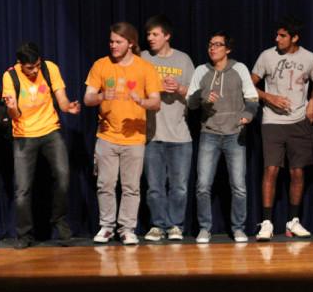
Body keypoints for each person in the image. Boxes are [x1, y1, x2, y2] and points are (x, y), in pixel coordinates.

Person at [84, 22, 161, 245]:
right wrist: (101, 97)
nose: (113, 45)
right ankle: (107, 226)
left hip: (134, 138)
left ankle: (127, 228)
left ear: (131, 43)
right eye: (111, 41)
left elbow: (156, 103)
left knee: (131, 187)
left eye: (118, 42)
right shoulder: (101, 65)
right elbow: (89, 98)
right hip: (107, 136)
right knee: (105, 184)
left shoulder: (145, 68)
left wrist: (141, 101)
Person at [1, 42, 81, 249]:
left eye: (37, 65)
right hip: (24, 136)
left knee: (63, 176)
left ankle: (59, 220)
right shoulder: (10, 76)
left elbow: (61, 100)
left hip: (50, 131)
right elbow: (15, 115)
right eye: (30, 68)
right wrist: (10, 108)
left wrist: (68, 107)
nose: (35, 70)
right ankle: (25, 234)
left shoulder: (50, 68)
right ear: (20, 64)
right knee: (22, 190)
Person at [250, 16, 313, 241]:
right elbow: (250, 83)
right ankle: (267, 222)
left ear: (294, 38)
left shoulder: (310, 58)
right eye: (277, 35)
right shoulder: (266, 56)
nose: (277, 39)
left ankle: (293, 221)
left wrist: (312, 101)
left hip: (299, 121)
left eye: (282, 36)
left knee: (297, 172)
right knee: (271, 170)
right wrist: (268, 96)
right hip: (272, 121)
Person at [187, 32, 258, 243]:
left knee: (238, 186)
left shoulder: (239, 69)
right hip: (209, 133)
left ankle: (238, 228)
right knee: (202, 185)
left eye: (218, 45)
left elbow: (252, 98)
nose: (212, 48)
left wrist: (247, 116)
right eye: (210, 45)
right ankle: (204, 228)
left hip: (234, 134)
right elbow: (190, 103)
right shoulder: (201, 70)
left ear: (227, 49)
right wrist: (202, 97)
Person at [140, 14, 194, 242]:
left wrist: (180, 88)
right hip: (151, 134)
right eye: (148, 35)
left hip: (180, 135)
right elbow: (133, 91)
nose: (150, 38)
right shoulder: (142, 58)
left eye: (155, 34)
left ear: (167, 36)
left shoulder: (183, 60)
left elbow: (196, 97)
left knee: (179, 187)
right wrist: (154, 88)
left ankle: (175, 225)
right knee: (154, 187)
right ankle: (158, 225)